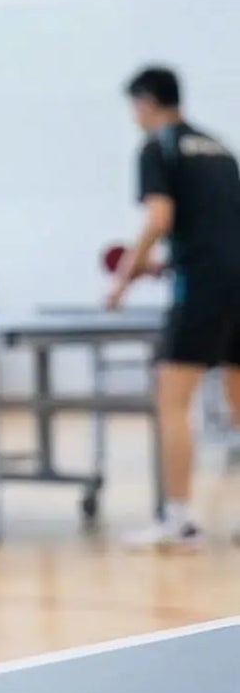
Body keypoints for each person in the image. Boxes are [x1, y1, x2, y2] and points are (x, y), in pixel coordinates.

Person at [104, 66, 240, 548]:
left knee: (172, 401)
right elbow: (219, 231)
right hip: (235, 282)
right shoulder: (220, 149)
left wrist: (121, 283)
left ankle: (178, 520)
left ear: (145, 102)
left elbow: (159, 218)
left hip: (201, 288)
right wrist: (159, 266)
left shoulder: (156, 147)